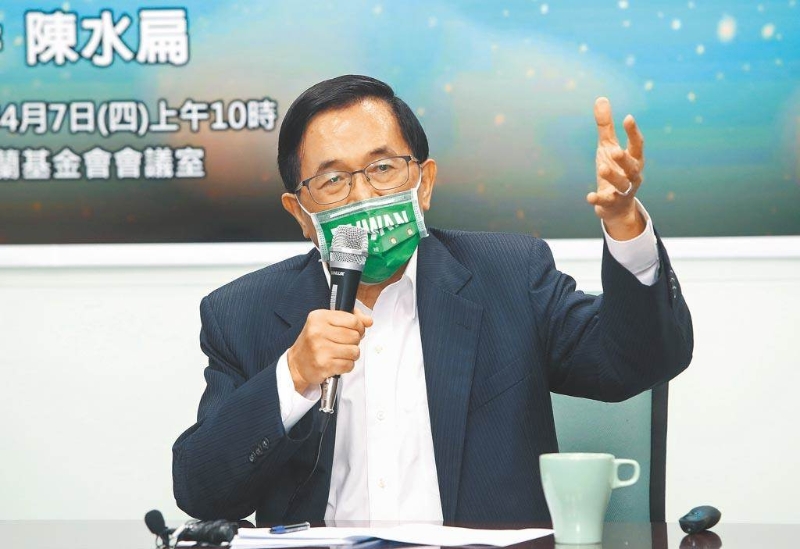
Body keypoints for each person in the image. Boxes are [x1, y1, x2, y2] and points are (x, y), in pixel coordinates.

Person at [172, 75, 693, 525]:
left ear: (424, 184)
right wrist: (293, 377)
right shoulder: (243, 314)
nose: (363, 196)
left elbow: (636, 361)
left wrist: (624, 223)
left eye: (383, 169)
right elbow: (202, 492)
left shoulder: (509, 277)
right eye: (333, 180)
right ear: (300, 213)